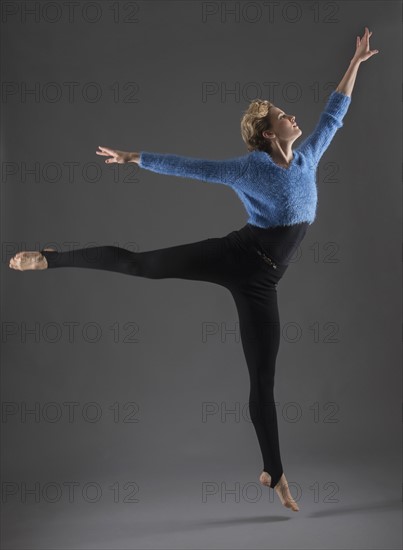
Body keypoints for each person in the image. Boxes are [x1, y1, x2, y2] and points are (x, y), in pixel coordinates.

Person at [9, 27, 378, 512]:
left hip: (264, 283)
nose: (292, 116)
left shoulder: (308, 157)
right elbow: (193, 167)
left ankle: (276, 473)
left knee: (262, 379)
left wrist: (354, 63)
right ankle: (51, 257)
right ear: (268, 134)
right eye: (281, 115)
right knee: (142, 265)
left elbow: (336, 112)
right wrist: (133, 157)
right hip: (236, 255)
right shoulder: (251, 168)